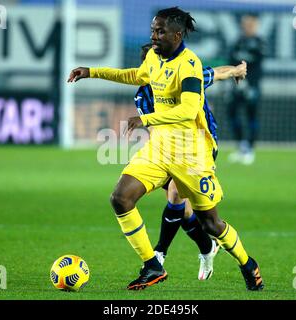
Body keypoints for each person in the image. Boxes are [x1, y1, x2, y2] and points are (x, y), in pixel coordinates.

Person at [68, 7, 264, 291]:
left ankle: (247, 264)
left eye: (159, 31)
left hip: (191, 153)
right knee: (120, 198)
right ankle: (152, 265)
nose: (154, 36)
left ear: (177, 34)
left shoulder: (189, 65)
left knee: (211, 223)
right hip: (159, 147)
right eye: (152, 30)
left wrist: (145, 119)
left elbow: (186, 110)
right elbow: (135, 75)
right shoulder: (153, 57)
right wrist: (91, 71)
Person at [135, 43, 247, 281]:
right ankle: (207, 248)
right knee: (185, 211)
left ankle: (160, 253)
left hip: (199, 145)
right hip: (167, 148)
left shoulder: (186, 74)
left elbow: (217, 72)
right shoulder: (143, 94)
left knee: (176, 195)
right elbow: (154, 129)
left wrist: (237, 70)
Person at [226, 13, 266, 165]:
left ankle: (250, 149)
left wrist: (249, 84)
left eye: (250, 24)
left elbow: (257, 66)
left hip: (252, 86)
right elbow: (230, 61)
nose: (247, 27)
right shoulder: (237, 42)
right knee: (232, 113)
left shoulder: (260, 43)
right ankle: (241, 146)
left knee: (252, 116)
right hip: (236, 85)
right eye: (245, 24)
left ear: (255, 25)